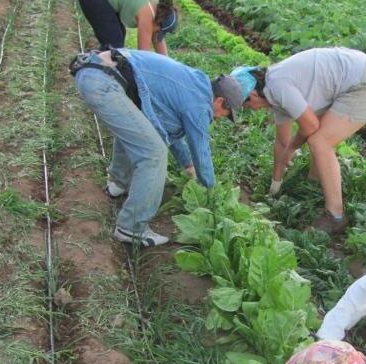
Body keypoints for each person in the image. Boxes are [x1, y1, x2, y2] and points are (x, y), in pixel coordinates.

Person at [72, 48, 244, 246]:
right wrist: (211, 193)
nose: (220, 118)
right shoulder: (199, 104)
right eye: (225, 113)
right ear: (220, 101)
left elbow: (162, 131)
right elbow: (201, 150)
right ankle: (131, 228)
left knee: (140, 132)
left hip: (95, 72)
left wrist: (187, 165)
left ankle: (118, 185)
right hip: (104, 83)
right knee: (154, 153)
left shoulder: (195, 85)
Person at [228, 47, 366, 234]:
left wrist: (292, 148)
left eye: (247, 105)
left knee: (319, 141)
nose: (253, 109)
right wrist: (275, 187)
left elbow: (310, 127)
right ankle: (314, 186)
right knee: (319, 138)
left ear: (252, 95)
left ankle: (335, 215)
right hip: (355, 78)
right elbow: (282, 143)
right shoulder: (273, 94)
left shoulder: (277, 86)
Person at [78, 0, 178, 54]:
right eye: (158, 32)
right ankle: (100, 78)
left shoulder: (156, 6)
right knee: (114, 46)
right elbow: (143, 55)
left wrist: (168, 64)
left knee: (119, 35)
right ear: (158, 23)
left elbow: (158, 40)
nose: (156, 35)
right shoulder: (148, 16)